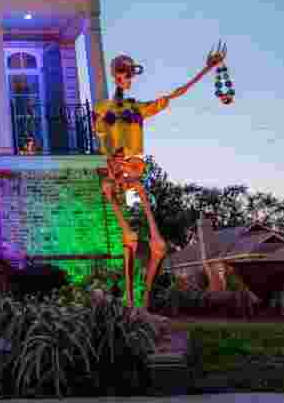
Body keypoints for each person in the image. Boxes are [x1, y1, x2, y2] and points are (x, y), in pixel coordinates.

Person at [94, 42, 227, 307]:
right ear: (117, 75)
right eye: (125, 74)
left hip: (133, 169)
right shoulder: (105, 109)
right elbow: (102, 134)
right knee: (129, 237)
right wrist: (114, 163)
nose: (129, 78)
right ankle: (131, 304)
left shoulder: (137, 108)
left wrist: (206, 68)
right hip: (117, 171)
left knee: (157, 244)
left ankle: (140, 306)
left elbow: (175, 94)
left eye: (131, 74)